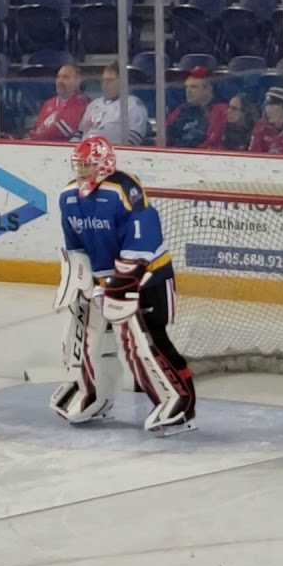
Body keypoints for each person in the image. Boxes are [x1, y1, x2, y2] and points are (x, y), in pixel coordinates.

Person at [50, 136, 196, 437]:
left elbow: (142, 236)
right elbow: (75, 246)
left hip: (148, 276)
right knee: (89, 337)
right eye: (79, 165)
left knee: (147, 341)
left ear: (105, 164)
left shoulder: (123, 189)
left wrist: (122, 281)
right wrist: (79, 280)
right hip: (105, 282)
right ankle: (96, 395)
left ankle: (179, 402)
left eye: (88, 165)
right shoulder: (68, 197)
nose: (83, 171)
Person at [73, 61, 148, 145]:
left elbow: (134, 139)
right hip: (87, 152)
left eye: (110, 80)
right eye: (103, 80)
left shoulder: (133, 105)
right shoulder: (93, 104)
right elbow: (79, 134)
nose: (105, 84)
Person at [165, 67, 228, 149]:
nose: (188, 91)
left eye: (193, 87)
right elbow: (164, 135)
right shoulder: (181, 109)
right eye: (187, 87)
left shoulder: (221, 110)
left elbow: (212, 141)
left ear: (208, 89)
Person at [25, 64, 90, 142]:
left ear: (77, 81)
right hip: (38, 146)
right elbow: (35, 129)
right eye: (58, 77)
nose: (60, 81)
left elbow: (61, 130)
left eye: (65, 77)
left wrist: (33, 139)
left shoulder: (81, 103)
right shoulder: (48, 103)